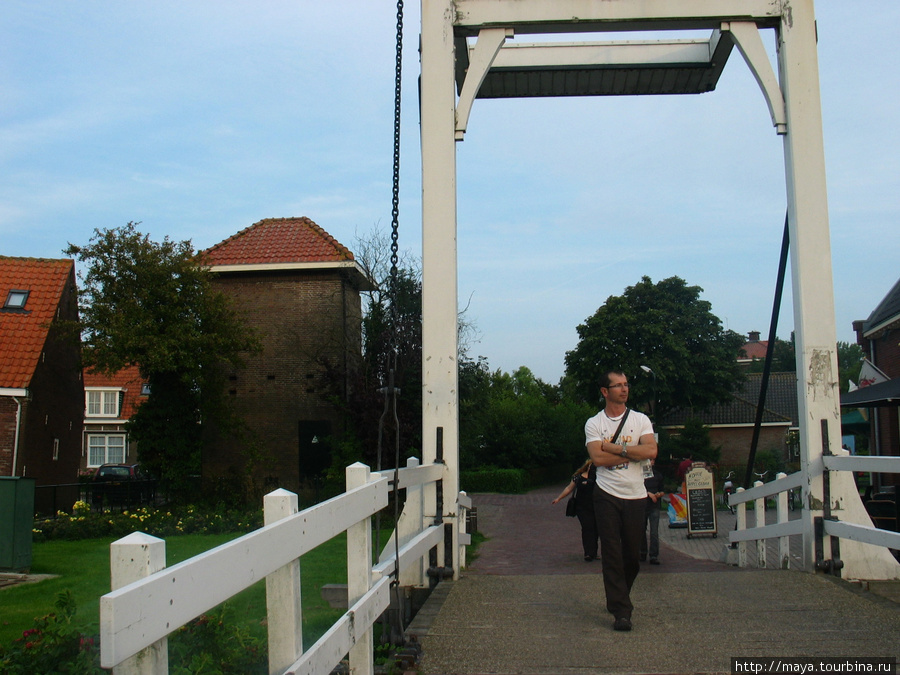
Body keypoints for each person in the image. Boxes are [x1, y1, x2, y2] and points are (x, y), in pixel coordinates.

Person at [586, 370, 657, 632]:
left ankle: (619, 594)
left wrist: (615, 448)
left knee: (633, 556)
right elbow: (598, 460)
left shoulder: (640, 420)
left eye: (626, 384)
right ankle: (621, 611)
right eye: (617, 386)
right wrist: (634, 455)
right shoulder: (594, 423)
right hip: (606, 494)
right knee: (612, 554)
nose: (624, 389)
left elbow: (651, 451)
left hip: (636, 495)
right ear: (605, 391)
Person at [551, 459, 598, 561]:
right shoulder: (578, 477)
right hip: (582, 507)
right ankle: (588, 553)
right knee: (587, 527)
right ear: (587, 466)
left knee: (596, 529)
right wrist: (559, 498)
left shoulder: (598, 478)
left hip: (595, 506)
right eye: (591, 466)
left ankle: (593, 551)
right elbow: (569, 488)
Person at [641, 459, 664, 565]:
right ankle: (642, 552)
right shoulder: (640, 474)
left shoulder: (658, 475)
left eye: (653, 460)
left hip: (654, 505)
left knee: (654, 532)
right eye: (650, 460)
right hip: (643, 504)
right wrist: (649, 494)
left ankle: (654, 555)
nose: (652, 462)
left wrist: (658, 495)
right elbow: (638, 487)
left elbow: (662, 490)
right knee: (641, 530)